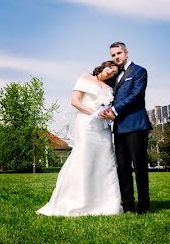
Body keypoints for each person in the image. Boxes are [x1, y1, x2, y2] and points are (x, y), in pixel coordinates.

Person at [37, 60, 123, 216]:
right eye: (110, 68)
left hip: (102, 128)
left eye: (115, 72)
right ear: (104, 66)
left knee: (105, 160)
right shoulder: (85, 77)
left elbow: (111, 108)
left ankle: (107, 203)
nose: (111, 72)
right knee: (84, 158)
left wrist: (107, 115)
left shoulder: (111, 88)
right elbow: (74, 101)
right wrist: (93, 112)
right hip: (85, 124)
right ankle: (77, 201)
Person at [100, 41, 151, 214]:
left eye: (119, 53)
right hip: (119, 127)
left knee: (140, 167)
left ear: (126, 52)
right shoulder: (115, 76)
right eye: (113, 55)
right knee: (122, 168)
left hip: (136, 126)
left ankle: (143, 207)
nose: (116, 57)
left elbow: (136, 96)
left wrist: (114, 110)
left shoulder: (139, 71)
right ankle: (128, 206)